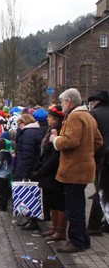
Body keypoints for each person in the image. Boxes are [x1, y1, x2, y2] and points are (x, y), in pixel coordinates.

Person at [49, 88, 103, 253]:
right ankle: (83, 240)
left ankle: (76, 241)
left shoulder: (74, 116)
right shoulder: (88, 115)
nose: (62, 105)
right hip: (84, 167)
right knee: (78, 205)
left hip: (73, 169)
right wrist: (86, 152)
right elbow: (99, 141)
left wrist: (55, 139)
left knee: (73, 208)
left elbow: (70, 141)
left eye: (63, 102)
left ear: (69, 102)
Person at [31, 105, 66, 241]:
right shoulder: (51, 130)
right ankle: (54, 227)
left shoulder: (57, 132)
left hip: (53, 172)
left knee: (58, 201)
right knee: (52, 201)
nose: (48, 119)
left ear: (56, 119)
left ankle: (60, 230)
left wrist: (41, 170)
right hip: (48, 170)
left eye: (50, 117)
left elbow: (54, 157)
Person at [13, 113, 44, 230]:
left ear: (24, 122)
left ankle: (32, 219)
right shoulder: (35, 131)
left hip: (26, 166)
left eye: (19, 123)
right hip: (33, 165)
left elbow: (27, 154)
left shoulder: (27, 134)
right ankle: (31, 219)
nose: (18, 126)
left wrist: (25, 172)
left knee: (29, 193)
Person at [86, 91, 109, 235]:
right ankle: (107, 222)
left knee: (101, 190)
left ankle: (94, 225)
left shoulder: (94, 114)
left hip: (102, 157)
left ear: (96, 102)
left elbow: (92, 138)